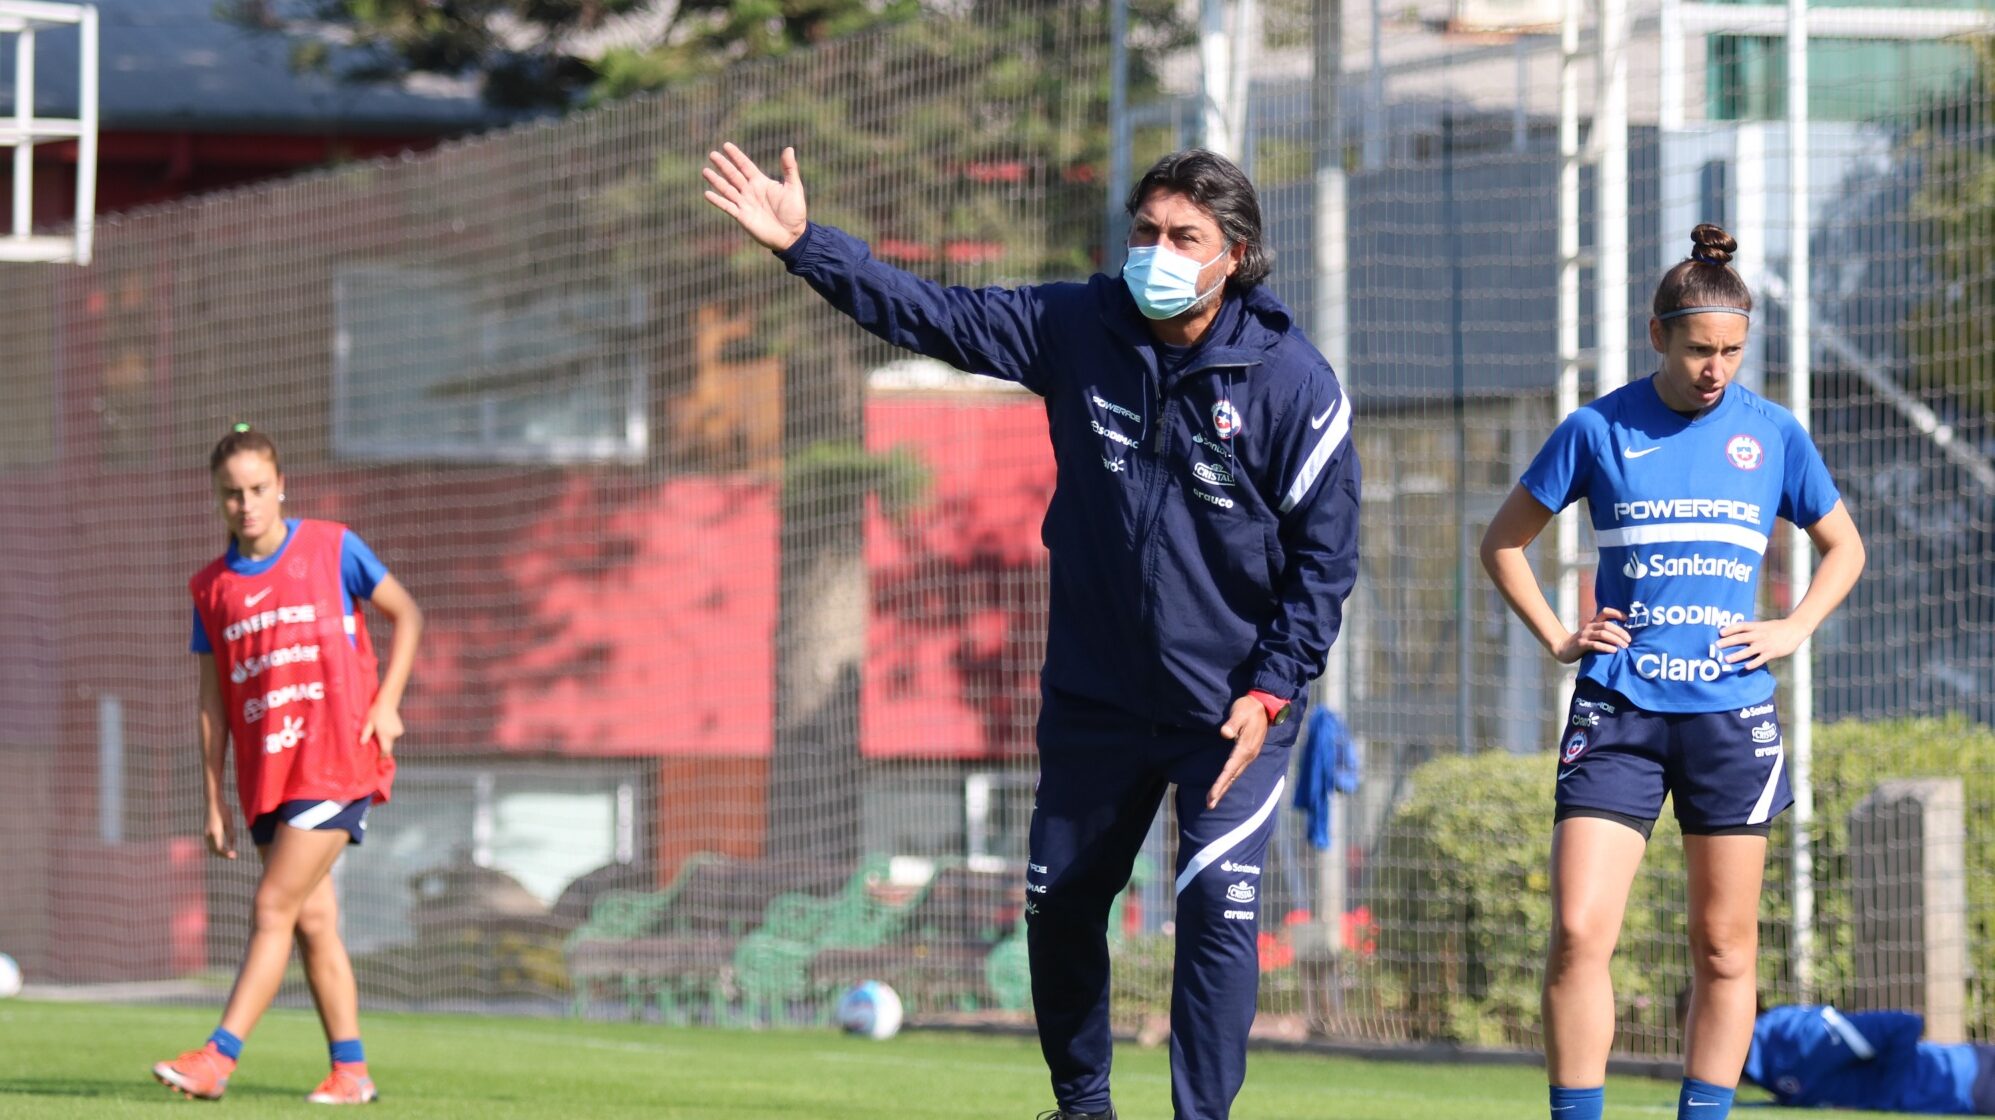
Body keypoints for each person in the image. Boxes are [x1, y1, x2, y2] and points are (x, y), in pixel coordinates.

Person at [703, 143, 1359, 1120]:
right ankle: (1082, 1105)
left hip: (1232, 715)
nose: (1159, 251)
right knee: (1058, 908)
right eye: (1146, 231)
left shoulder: (1292, 385)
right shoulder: (1076, 326)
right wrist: (806, 245)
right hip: (1096, 700)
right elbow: (932, 313)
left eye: (1185, 236)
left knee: (1215, 914)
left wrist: (1270, 691)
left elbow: (1325, 562)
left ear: (1237, 254)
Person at [1479, 224, 1865, 1120]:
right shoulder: (1596, 429)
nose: (1715, 369)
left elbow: (1842, 547)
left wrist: (1793, 626)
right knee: (1578, 932)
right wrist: (1556, 634)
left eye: (1732, 351)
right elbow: (1503, 542)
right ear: (1658, 336)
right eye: (1699, 350)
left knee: (1724, 950)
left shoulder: (1773, 435)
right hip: (1618, 711)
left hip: (1731, 718)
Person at [152, 424, 424, 1105]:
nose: (245, 505)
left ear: (281, 488)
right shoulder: (211, 588)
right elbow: (212, 702)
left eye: (257, 490)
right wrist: (213, 798)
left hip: (336, 761)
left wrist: (387, 704)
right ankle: (352, 1072)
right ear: (217, 499)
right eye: (231, 494)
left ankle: (218, 1058)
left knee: (273, 905)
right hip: (268, 776)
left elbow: (408, 615)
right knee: (312, 922)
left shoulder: (333, 547)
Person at [1745, 1001, 1995, 1114]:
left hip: (1974, 1076)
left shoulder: (1797, 1035)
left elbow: (1904, 1024)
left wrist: (1883, 1101)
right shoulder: (1763, 1062)